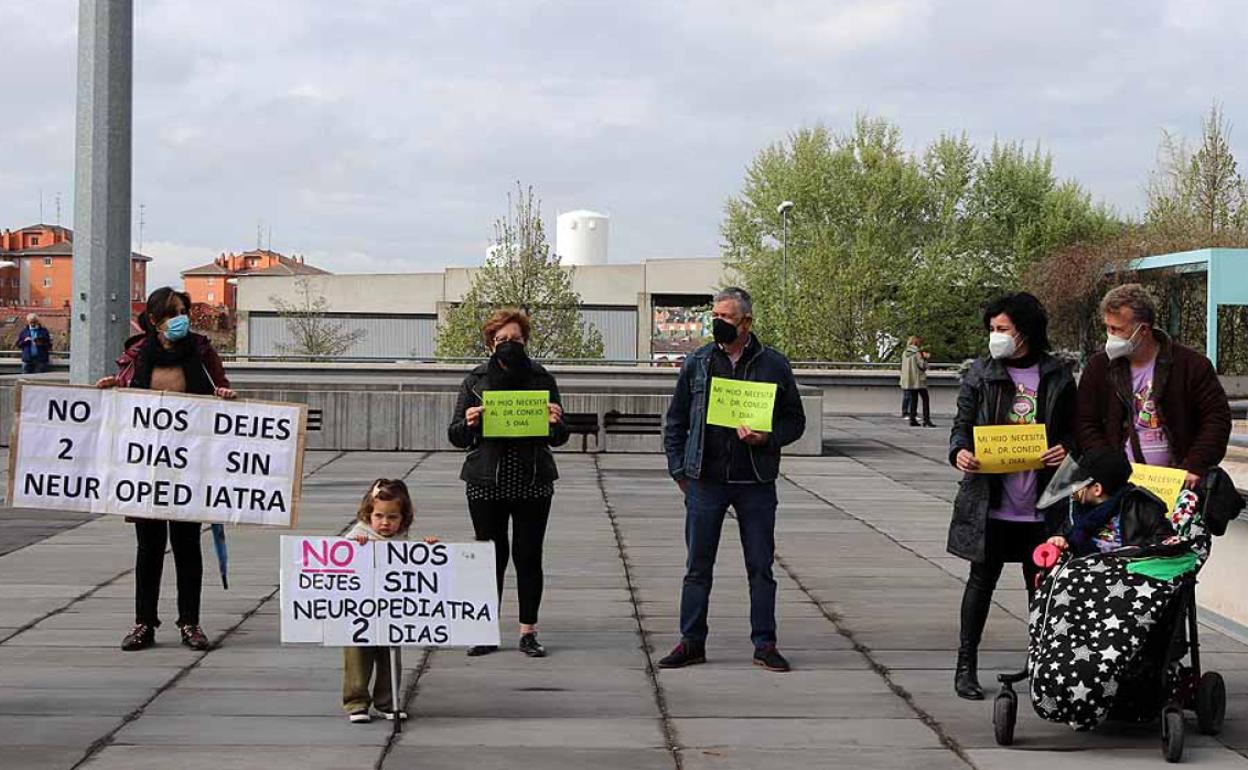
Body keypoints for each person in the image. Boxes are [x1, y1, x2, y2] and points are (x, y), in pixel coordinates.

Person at [658, 287, 807, 673]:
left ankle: (765, 643)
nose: (717, 323)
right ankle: (691, 641)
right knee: (697, 567)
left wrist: (768, 437)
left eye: (726, 317)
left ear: (746, 322)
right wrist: (679, 469)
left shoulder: (774, 365)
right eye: (716, 316)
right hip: (705, 480)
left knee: (760, 567)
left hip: (754, 481)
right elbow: (675, 420)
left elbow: (796, 420)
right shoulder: (699, 362)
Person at [947, 292, 1075, 700]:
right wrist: (960, 452)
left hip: (1042, 506)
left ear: (1025, 332)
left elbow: (1077, 429)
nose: (995, 337)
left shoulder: (1056, 376)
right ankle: (965, 666)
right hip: (991, 501)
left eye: (1003, 330)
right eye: (992, 330)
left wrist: (1067, 448)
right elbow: (962, 425)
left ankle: (1042, 665)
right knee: (980, 583)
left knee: (1041, 589)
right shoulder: (980, 374)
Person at [96, 287, 236, 652]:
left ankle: (190, 622)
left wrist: (223, 395)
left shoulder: (202, 351)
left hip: (189, 467)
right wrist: (112, 388)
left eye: (184, 311)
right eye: (174, 312)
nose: (182, 318)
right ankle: (144, 623)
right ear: (156, 320)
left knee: (188, 546)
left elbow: (220, 389)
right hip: (147, 470)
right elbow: (124, 401)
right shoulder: (137, 354)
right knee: (149, 548)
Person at [447, 308, 568, 658]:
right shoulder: (475, 381)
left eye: (515, 339)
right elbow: (455, 435)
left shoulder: (542, 379)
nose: (508, 345)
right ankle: (485, 630)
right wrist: (469, 422)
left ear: (526, 342)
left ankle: (528, 631)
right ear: (490, 344)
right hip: (486, 481)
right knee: (488, 558)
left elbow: (560, 436)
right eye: (501, 340)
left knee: (529, 557)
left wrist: (555, 421)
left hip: (533, 480)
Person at [1076, 283, 1232, 490]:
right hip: (1119, 486)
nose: (1110, 335)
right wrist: (1107, 468)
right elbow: (1085, 422)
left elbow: (1216, 419)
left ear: (1143, 330)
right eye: (1108, 327)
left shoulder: (1192, 365)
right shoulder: (1098, 368)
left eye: (1117, 329)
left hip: (1178, 484)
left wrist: (1196, 465)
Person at [342, 478, 438, 723]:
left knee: (390, 656)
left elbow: (413, 566)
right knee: (357, 656)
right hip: (359, 610)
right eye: (379, 516)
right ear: (367, 514)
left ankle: (388, 702)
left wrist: (428, 550)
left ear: (403, 518)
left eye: (392, 517)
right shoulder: (359, 534)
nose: (385, 523)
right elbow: (338, 561)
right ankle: (356, 702)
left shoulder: (401, 538)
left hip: (388, 610)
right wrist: (355, 547)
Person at [1041, 448, 1173, 557]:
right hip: (1083, 576)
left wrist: (1136, 553)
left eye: (1078, 484)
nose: (1072, 489)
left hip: (1129, 576)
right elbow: (1065, 531)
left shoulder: (1142, 507)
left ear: (1097, 489)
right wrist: (1059, 539)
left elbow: (1165, 543)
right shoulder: (1074, 508)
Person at [901, 335, 935, 427]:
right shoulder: (917, 353)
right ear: (916, 343)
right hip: (918, 380)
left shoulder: (905, 353)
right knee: (925, 399)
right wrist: (926, 360)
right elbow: (921, 365)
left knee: (913, 399)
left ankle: (912, 419)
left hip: (909, 380)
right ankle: (926, 420)